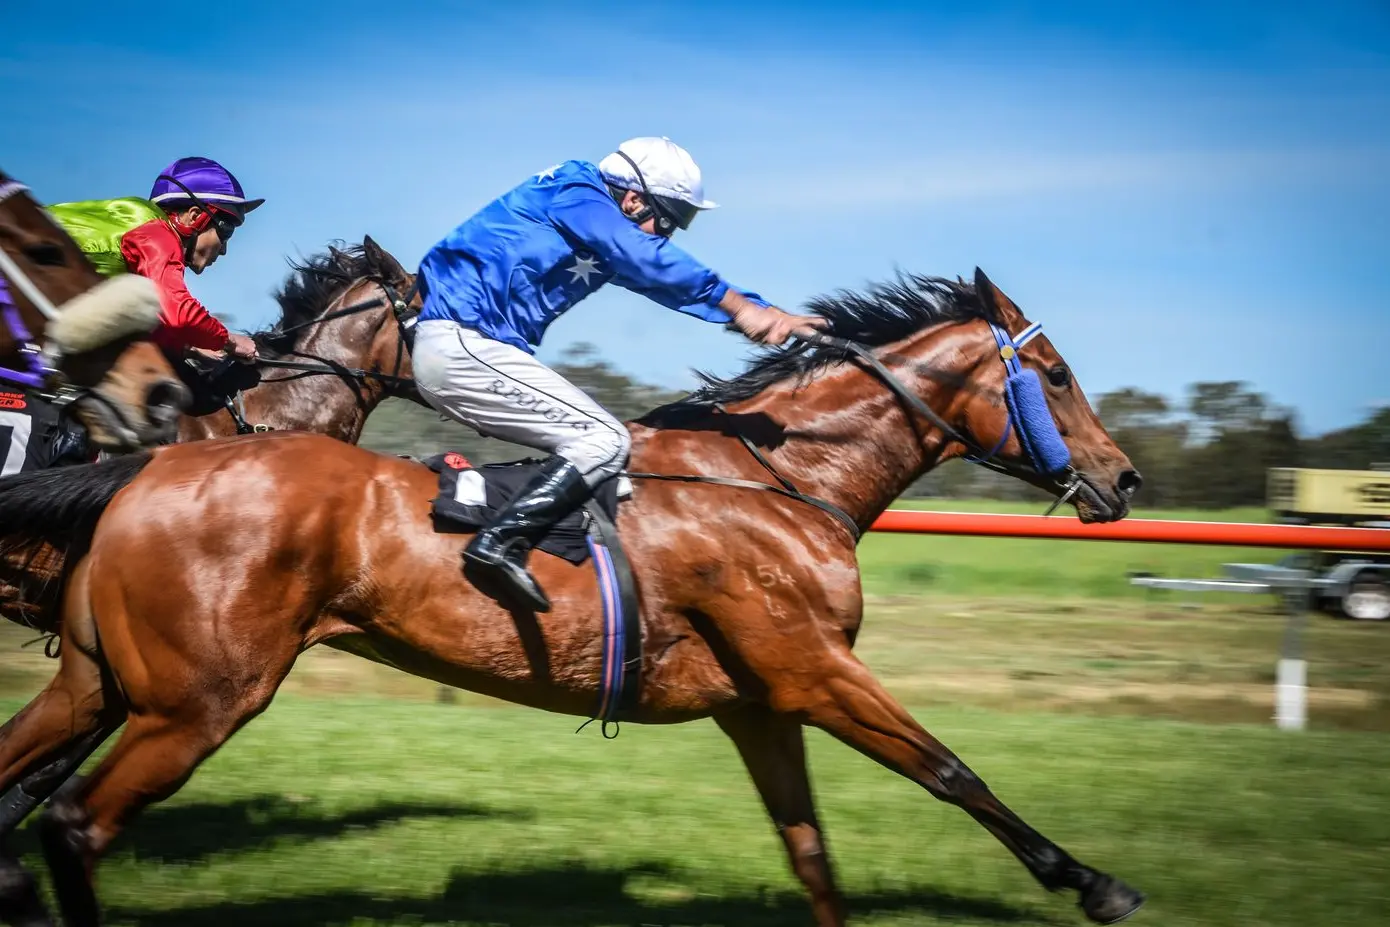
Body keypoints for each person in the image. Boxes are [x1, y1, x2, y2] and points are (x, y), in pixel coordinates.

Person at [412, 136, 828, 612]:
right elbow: (644, 255)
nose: (666, 236)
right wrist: (736, 305)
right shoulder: (577, 191)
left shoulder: (597, 226)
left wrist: (760, 310)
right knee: (604, 442)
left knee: (603, 455)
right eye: (668, 220)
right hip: (464, 344)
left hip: (472, 347)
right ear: (632, 199)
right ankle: (498, 545)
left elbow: (661, 280)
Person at [46, 156, 263, 364]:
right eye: (227, 232)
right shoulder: (157, 235)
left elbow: (137, 323)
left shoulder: (142, 224)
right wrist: (230, 341)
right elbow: (180, 313)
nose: (224, 250)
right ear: (195, 216)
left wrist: (188, 346)